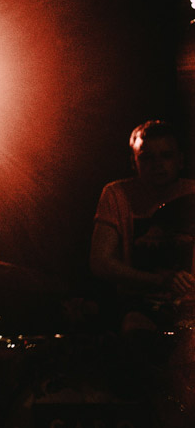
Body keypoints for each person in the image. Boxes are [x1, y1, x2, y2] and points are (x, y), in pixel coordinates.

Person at [89, 119, 195, 421]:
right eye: (147, 157)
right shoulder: (116, 194)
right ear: (133, 161)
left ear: (181, 160)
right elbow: (100, 262)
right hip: (139, 305)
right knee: (135, 345)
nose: (157, 164)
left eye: (166, 156)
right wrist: (159, 280)